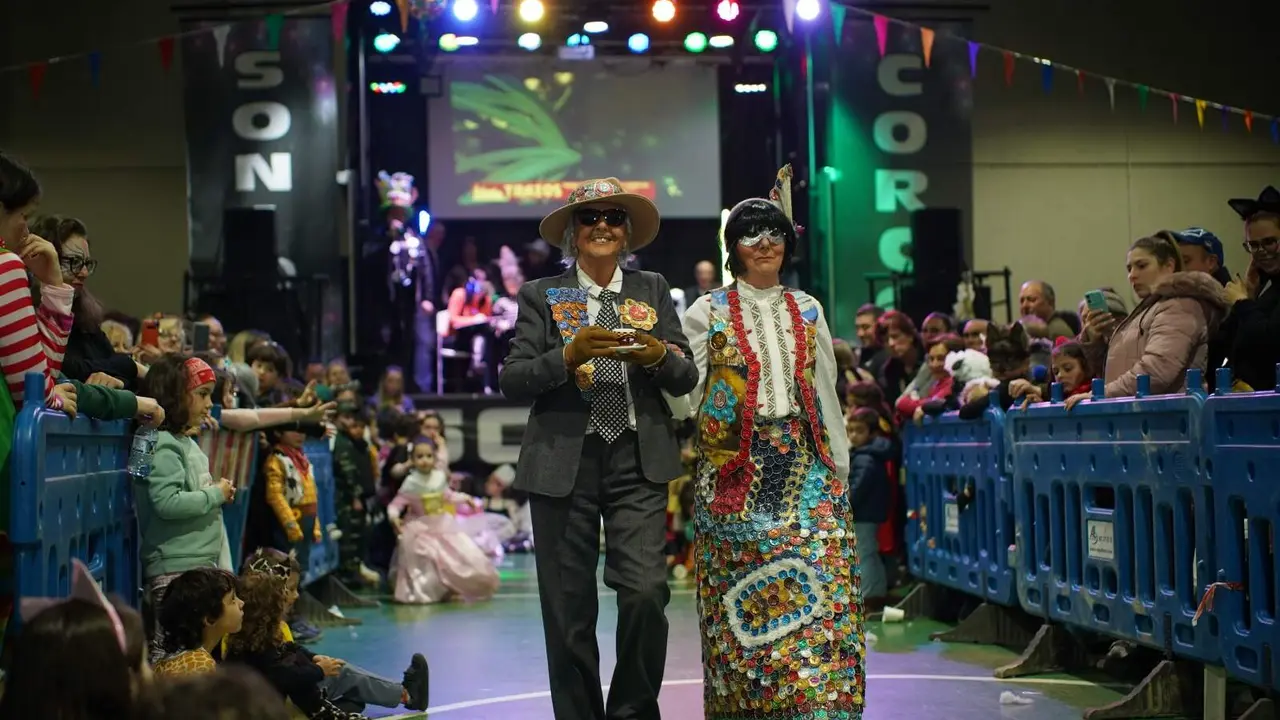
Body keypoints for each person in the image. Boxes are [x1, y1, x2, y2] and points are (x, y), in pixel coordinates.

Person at [499, 177, 698, 720]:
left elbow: (684, 377)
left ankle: (633, 712)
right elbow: (513, 379)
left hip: (638, 458)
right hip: (564, 463)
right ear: (572, 233)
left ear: (627, 232)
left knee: (645, 592)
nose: (603, 226)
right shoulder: (541, 295)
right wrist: (567, 356)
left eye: (614, 217)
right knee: (567, 611)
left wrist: (658, 355)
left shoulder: (652, 289)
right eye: (590, 218)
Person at [680, 167, 861, 720]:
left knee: (825, 585)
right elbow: (687, 395)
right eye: (752, 235)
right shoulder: (705, 311)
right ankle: (750, 708)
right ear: (733, 247)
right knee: (744, 604)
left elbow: (825, 389)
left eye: (775, 233)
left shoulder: (808, 308)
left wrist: (839, 465)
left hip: (807, 468)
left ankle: (818, 708)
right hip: (734, 473)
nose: (765, 244)